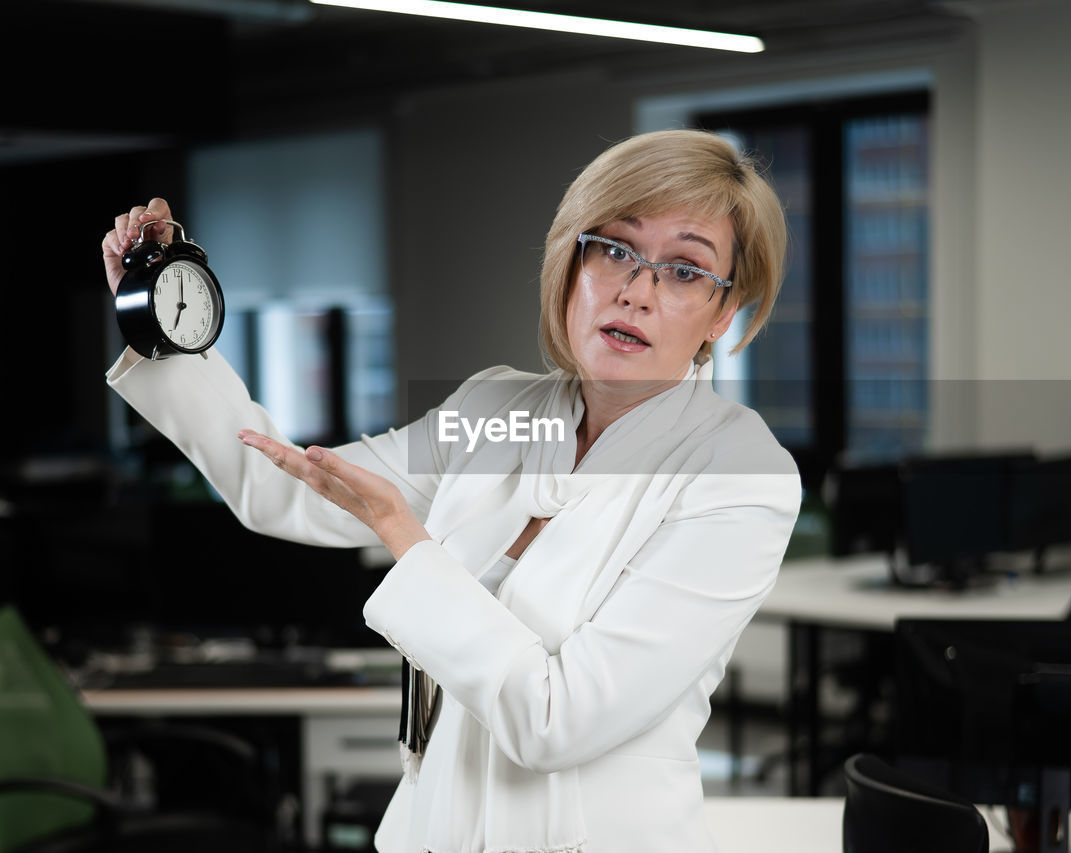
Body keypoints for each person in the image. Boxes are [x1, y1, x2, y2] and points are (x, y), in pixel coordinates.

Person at [101, 129, 800, 853]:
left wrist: (408, 540)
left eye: (685, 270)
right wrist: (161, 320)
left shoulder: (740, 472)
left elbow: (557, 721)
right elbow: (285, 488)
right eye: (615, 249)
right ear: (572, 262)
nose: (636, 290)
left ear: (723, 313)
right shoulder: (495, 408)